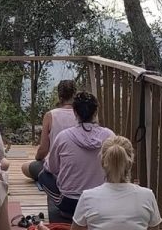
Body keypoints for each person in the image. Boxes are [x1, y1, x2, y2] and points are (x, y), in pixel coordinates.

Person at [37, 91, 114, 221]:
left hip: (70, 203)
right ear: (95, 113)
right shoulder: (109, 136)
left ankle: (67, 214)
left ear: (75, 113)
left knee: (43, 176)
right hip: (100, 201)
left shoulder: (64, 136)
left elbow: (52, 168)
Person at [22, 79, 77, 181]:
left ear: (59, 96)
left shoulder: (50, 115)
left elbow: (44, 149)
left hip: (57, 167)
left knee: (25, 167)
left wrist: (38, 158)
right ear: (75, 94)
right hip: (78, 166)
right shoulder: (81, 114)